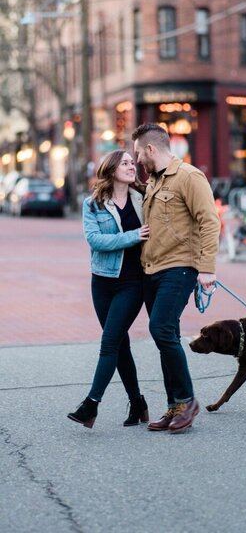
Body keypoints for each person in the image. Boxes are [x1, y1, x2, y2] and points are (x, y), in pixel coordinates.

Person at [132, 123, 220, 434]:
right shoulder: (154, 182)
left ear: (151, 149)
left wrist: (207, 267)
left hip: (180, 267)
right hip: (152, 269)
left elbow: (209, 221)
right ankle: (175, 406)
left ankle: (187, 399)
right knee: (164, 335)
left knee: (161, 328)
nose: (138, 159)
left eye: (139, 153)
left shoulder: (190, 177)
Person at [67, 150, 150, 429]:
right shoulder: (92, 204)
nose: (131, 166)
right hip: (102, 281)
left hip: (132, 282)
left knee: (109, 342)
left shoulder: (144, 198)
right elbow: (95, 240)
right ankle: (137, 402)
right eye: (125, 162)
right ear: (112, 168)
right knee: (120, 343)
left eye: (132, 162)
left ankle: (91, 404)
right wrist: (133, 236)